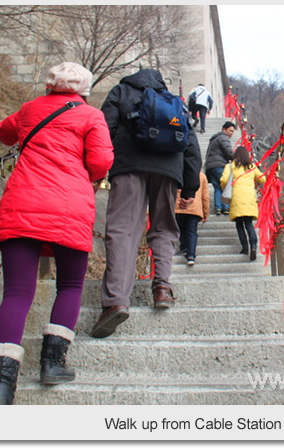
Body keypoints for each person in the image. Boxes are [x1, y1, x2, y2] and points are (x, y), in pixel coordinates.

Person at [0, 62, 114, 405]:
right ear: (83, 90)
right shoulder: (91, 116)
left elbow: (2, 131)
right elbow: (101, 163)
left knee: (16, 294)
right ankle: (52, 363)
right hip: (69, 206)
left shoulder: (29, 110)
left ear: (49, 85)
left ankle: (0, 386)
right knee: (70, 285)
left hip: (22, 203)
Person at [91, 68, 201, 339]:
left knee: (122, 230)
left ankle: (116, 300)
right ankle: (162, 287)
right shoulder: (171, 99)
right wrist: (189, 185)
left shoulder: (121, 91)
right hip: (169, 169)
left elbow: (103, 130)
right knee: (164, 228)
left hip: (128, 165)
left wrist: (97, 170)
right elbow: (190, 143)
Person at [220, 146, 266, 261]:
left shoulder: (230, 166)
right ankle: (254, 246)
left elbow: (224, 180)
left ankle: (245, 248)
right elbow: (262, 179)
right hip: (249, 198)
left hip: (237, 197)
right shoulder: (252, 166)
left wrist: (225, 188)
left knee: (239, 224)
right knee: (249, 223)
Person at [175, 171, 209, 266]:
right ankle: (191, 255)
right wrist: (205, 212)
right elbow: (205, 196)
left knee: (181, 228)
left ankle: (184, 247)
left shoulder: (179, 173)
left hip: (179, 207)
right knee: (192, 231)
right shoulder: (202, 176)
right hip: (195, 209)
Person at [205, 121, 235, 216]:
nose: (231, 133)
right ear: (224, 129)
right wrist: (238, 157)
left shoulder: (214, 139)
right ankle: (225, 207)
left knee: (217, 187)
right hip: (219, 165)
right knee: (225, 186)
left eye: (233, 131)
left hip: (210, 167)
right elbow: (229, 152)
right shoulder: (223, 138)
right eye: (230, 131)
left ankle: (218, 208)